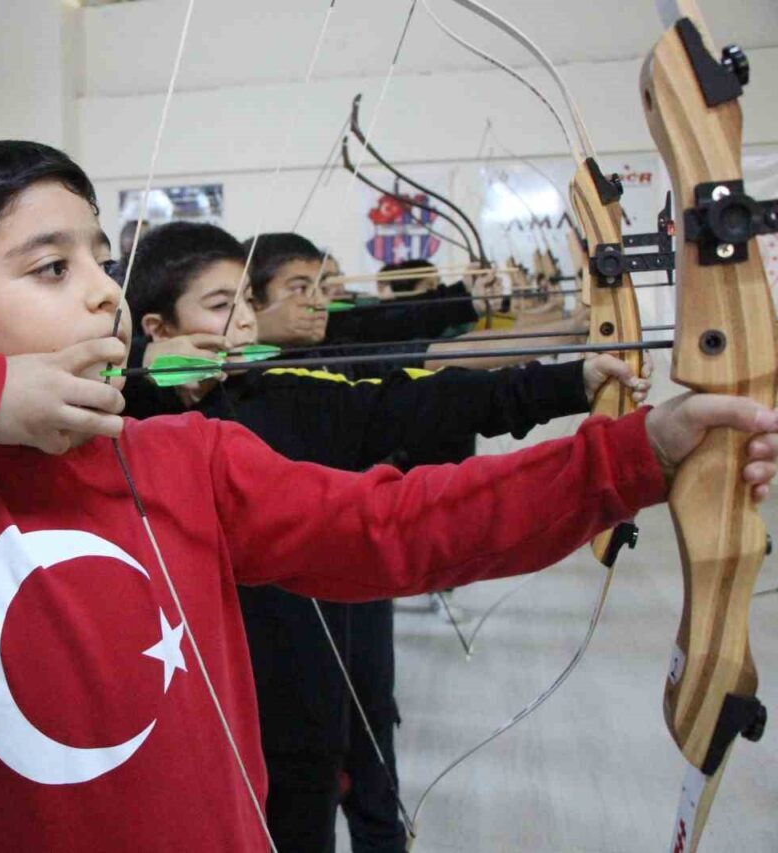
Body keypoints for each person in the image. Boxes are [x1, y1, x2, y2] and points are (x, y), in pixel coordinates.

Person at [0, 140, 778, 853]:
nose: (99, 288)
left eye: (98, 255)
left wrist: (635, 452)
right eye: (49, 269)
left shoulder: (189, 460)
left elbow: (397, 528)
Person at [120, 220, 648, 853]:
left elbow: (408, 398)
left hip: (297, 710)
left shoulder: (280, 393)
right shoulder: (105, 419)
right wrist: (138, 374)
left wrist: (568, 382)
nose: (243, 323)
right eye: (218, 306)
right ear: (157, 328)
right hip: (180, 713)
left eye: (245, 304)